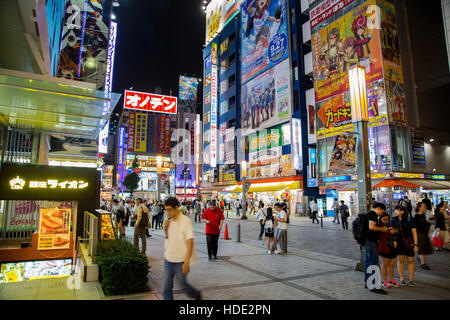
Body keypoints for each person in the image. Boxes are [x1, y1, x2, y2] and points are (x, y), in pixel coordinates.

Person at [162, 197, 201, 300]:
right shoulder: (168, 221)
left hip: (181, 260)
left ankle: (196, 295)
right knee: (166, 287)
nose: (168, 213)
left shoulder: (186, 221)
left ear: (176, 208)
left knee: (183, 285)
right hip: (168, 258)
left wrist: (187, 261)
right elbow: (167, 237)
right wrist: (165, 228)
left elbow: (190, 241)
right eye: (166, 210)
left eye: (170, 210)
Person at [364, 202, 388, 294]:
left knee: (368, 262)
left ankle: (367, 282)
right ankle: (374, 286)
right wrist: (382, 229)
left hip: (367, 241)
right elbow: (372, 227)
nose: (381, 214)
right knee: (374, 263)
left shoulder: (368, 214)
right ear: (378, 208)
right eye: (381, 211)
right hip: (371, 241)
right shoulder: (372, 214)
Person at [391, 205, 418, 287]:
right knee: (400, 260)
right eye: (395, 210)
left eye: (397, 210)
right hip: (399, 243)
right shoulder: (394, 220)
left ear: (402, 211)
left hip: (409, 242)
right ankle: (402, 279)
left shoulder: (410, 220)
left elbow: (414, 232)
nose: (395, 211)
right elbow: (391, 231)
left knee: (410, 260)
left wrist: (416, 244)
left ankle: (410, 279)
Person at [378, 213, 400, 289]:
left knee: (392, 264)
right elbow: (381, 237)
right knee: (385, 264)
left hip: (392, 247)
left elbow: (396, 234)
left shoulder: (390, 225)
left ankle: (391, 280)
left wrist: (395, 231)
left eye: (387, 219)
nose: (386, 221)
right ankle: (384, 281)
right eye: (384, 219)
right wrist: (389, 233)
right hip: (384, 248)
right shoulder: (379, 227)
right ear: (380, 219)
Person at [414, 201, 433, 270]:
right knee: (422, 249)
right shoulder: (416, 217)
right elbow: (415, 228)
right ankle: (423, 263)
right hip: (420, 234)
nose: (425, 208)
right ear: (419, 207)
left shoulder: (423, 215)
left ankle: (421, 259)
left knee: (424, 248)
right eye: (423, 206)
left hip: (424, 234)